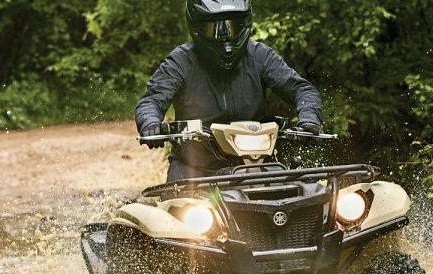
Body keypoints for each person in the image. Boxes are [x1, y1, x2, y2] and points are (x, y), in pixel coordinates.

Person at [135, 0, 323, 182]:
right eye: (214, 28)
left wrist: (309, 117)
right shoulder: (180, 62)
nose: (225, 36)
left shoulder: (260, 56)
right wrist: (150, 122)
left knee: (303, 195)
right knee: (177, 202)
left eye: (233, 26)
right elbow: (151, 100)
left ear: (245, 24)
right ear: (197, 27)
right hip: (195, 169)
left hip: (254, 166)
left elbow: (302, 89)